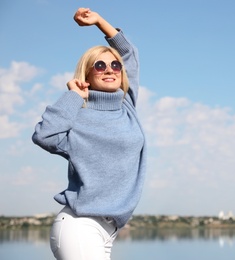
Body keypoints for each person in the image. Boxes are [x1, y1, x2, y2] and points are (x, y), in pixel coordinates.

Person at [32, 7, 147, 260]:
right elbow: (44, 135)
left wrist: (99, 22)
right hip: (80, 226)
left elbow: (129, 53)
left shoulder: (127, 106)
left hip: (109, 229)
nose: (110, 69)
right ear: (87, 74)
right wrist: (74, 96)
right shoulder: (76, 115)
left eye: (115, 65)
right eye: (100, 65)